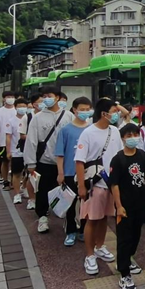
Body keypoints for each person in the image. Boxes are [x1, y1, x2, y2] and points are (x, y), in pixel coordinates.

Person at [74, 99, 124, 276]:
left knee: (104, 218)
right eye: (114, 111)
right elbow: (79, 161)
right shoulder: (88, 133)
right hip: (94, 184)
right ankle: (89, 255)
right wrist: (81, 186)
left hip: (111, 184)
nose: (117, 114)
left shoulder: (115, 131)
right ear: (104, 114)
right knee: (92, 219)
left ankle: (100, 246)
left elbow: (119, 155)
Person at [110, 123, 145, 289]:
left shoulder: (142, 155)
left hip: (141, 203)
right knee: (124, 238)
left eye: (135, 135)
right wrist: (119, 206)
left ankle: (127, 260)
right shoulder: (118, 159)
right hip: (125, 206)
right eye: (128, 136)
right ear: (122, 138)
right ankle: (124, 274)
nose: (133, 138)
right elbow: (114, 185)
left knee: (136, 235)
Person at [24, 86, 74, 234]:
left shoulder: (68, 116)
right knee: (42, 191)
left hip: (66, 163)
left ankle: (69, 219)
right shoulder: (38, 118)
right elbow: (31, 141)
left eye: (49, 96)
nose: (46, 99)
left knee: (68, 192)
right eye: (44, 96)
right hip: (45, 161)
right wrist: (31, 163)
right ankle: (42, 218)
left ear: (57, 97)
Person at [55, 97, 93, 245]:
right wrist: (61, 173)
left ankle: (83, 230)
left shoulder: (92, 129)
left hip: (88, 173)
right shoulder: (65, 130)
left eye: (87, 109)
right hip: (70, 172)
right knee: (70, 204)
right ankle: (70, 231)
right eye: (82, 109)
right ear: (74, 110)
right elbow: (60, 154)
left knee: (86, 203)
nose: (85, 112)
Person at [0, 91, 17, 189]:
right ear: (3, 99)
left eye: (12, 96)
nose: (10, 99)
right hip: (3, 142)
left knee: (16, 163)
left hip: (16, 143)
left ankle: (14, 182)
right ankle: (5, 181)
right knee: (5, 162)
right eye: (8, 97)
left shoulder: (17, 111)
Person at [9, 98, 29, 204]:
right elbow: (8, 137)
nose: (22, 108)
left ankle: (24, 187)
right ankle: (17, 194)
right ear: (15, 107)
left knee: (29, 173)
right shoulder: (11, 120)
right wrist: (8, 151)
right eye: (20, 106)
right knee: (17, 173)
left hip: (29, 151)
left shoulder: (30, 118)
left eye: (24, 106)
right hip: (16, 151)